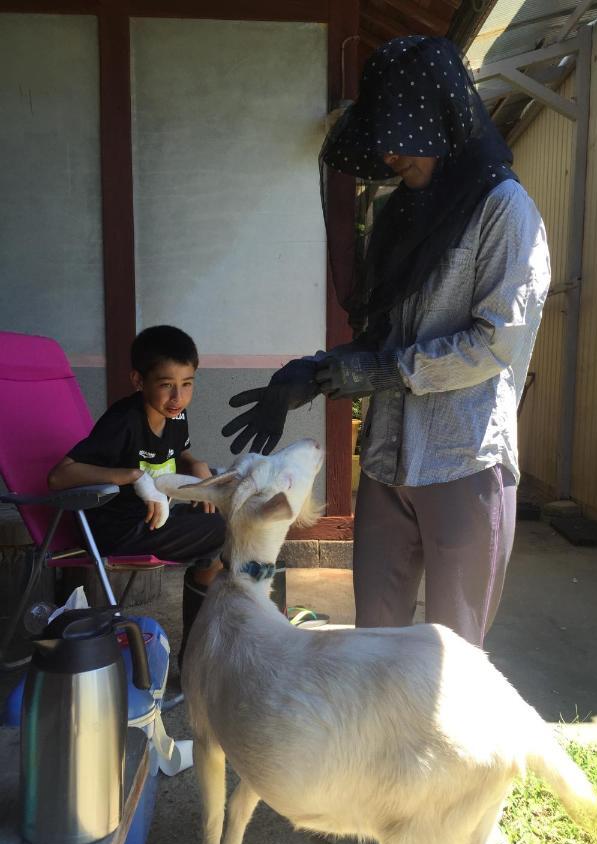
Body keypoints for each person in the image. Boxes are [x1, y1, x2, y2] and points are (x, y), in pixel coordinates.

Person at [223, 35, 550, 648]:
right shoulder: (402, 215)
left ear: (444, 120)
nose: (391, 155)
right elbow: (378, 339)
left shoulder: (506, 212)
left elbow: (491, 345)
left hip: (463, 459)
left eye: (404, 135)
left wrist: (385, 374)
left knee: (453, 661)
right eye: (382, 137)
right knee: (376, 648)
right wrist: (314, 374)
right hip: (386, 459)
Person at [48, 325, 225, 668]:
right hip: (115, 529)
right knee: (224, 532)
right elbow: (59, 475)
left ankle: (195, 655)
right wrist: (131, 475)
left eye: (187, 384)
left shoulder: (175, 414)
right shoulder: (124, 422)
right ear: (138, 380)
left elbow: (180, 452)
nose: (178, 397)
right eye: (166, 385)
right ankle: (196, 660)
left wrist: (197, 466)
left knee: (228, 518)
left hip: (153, 521)